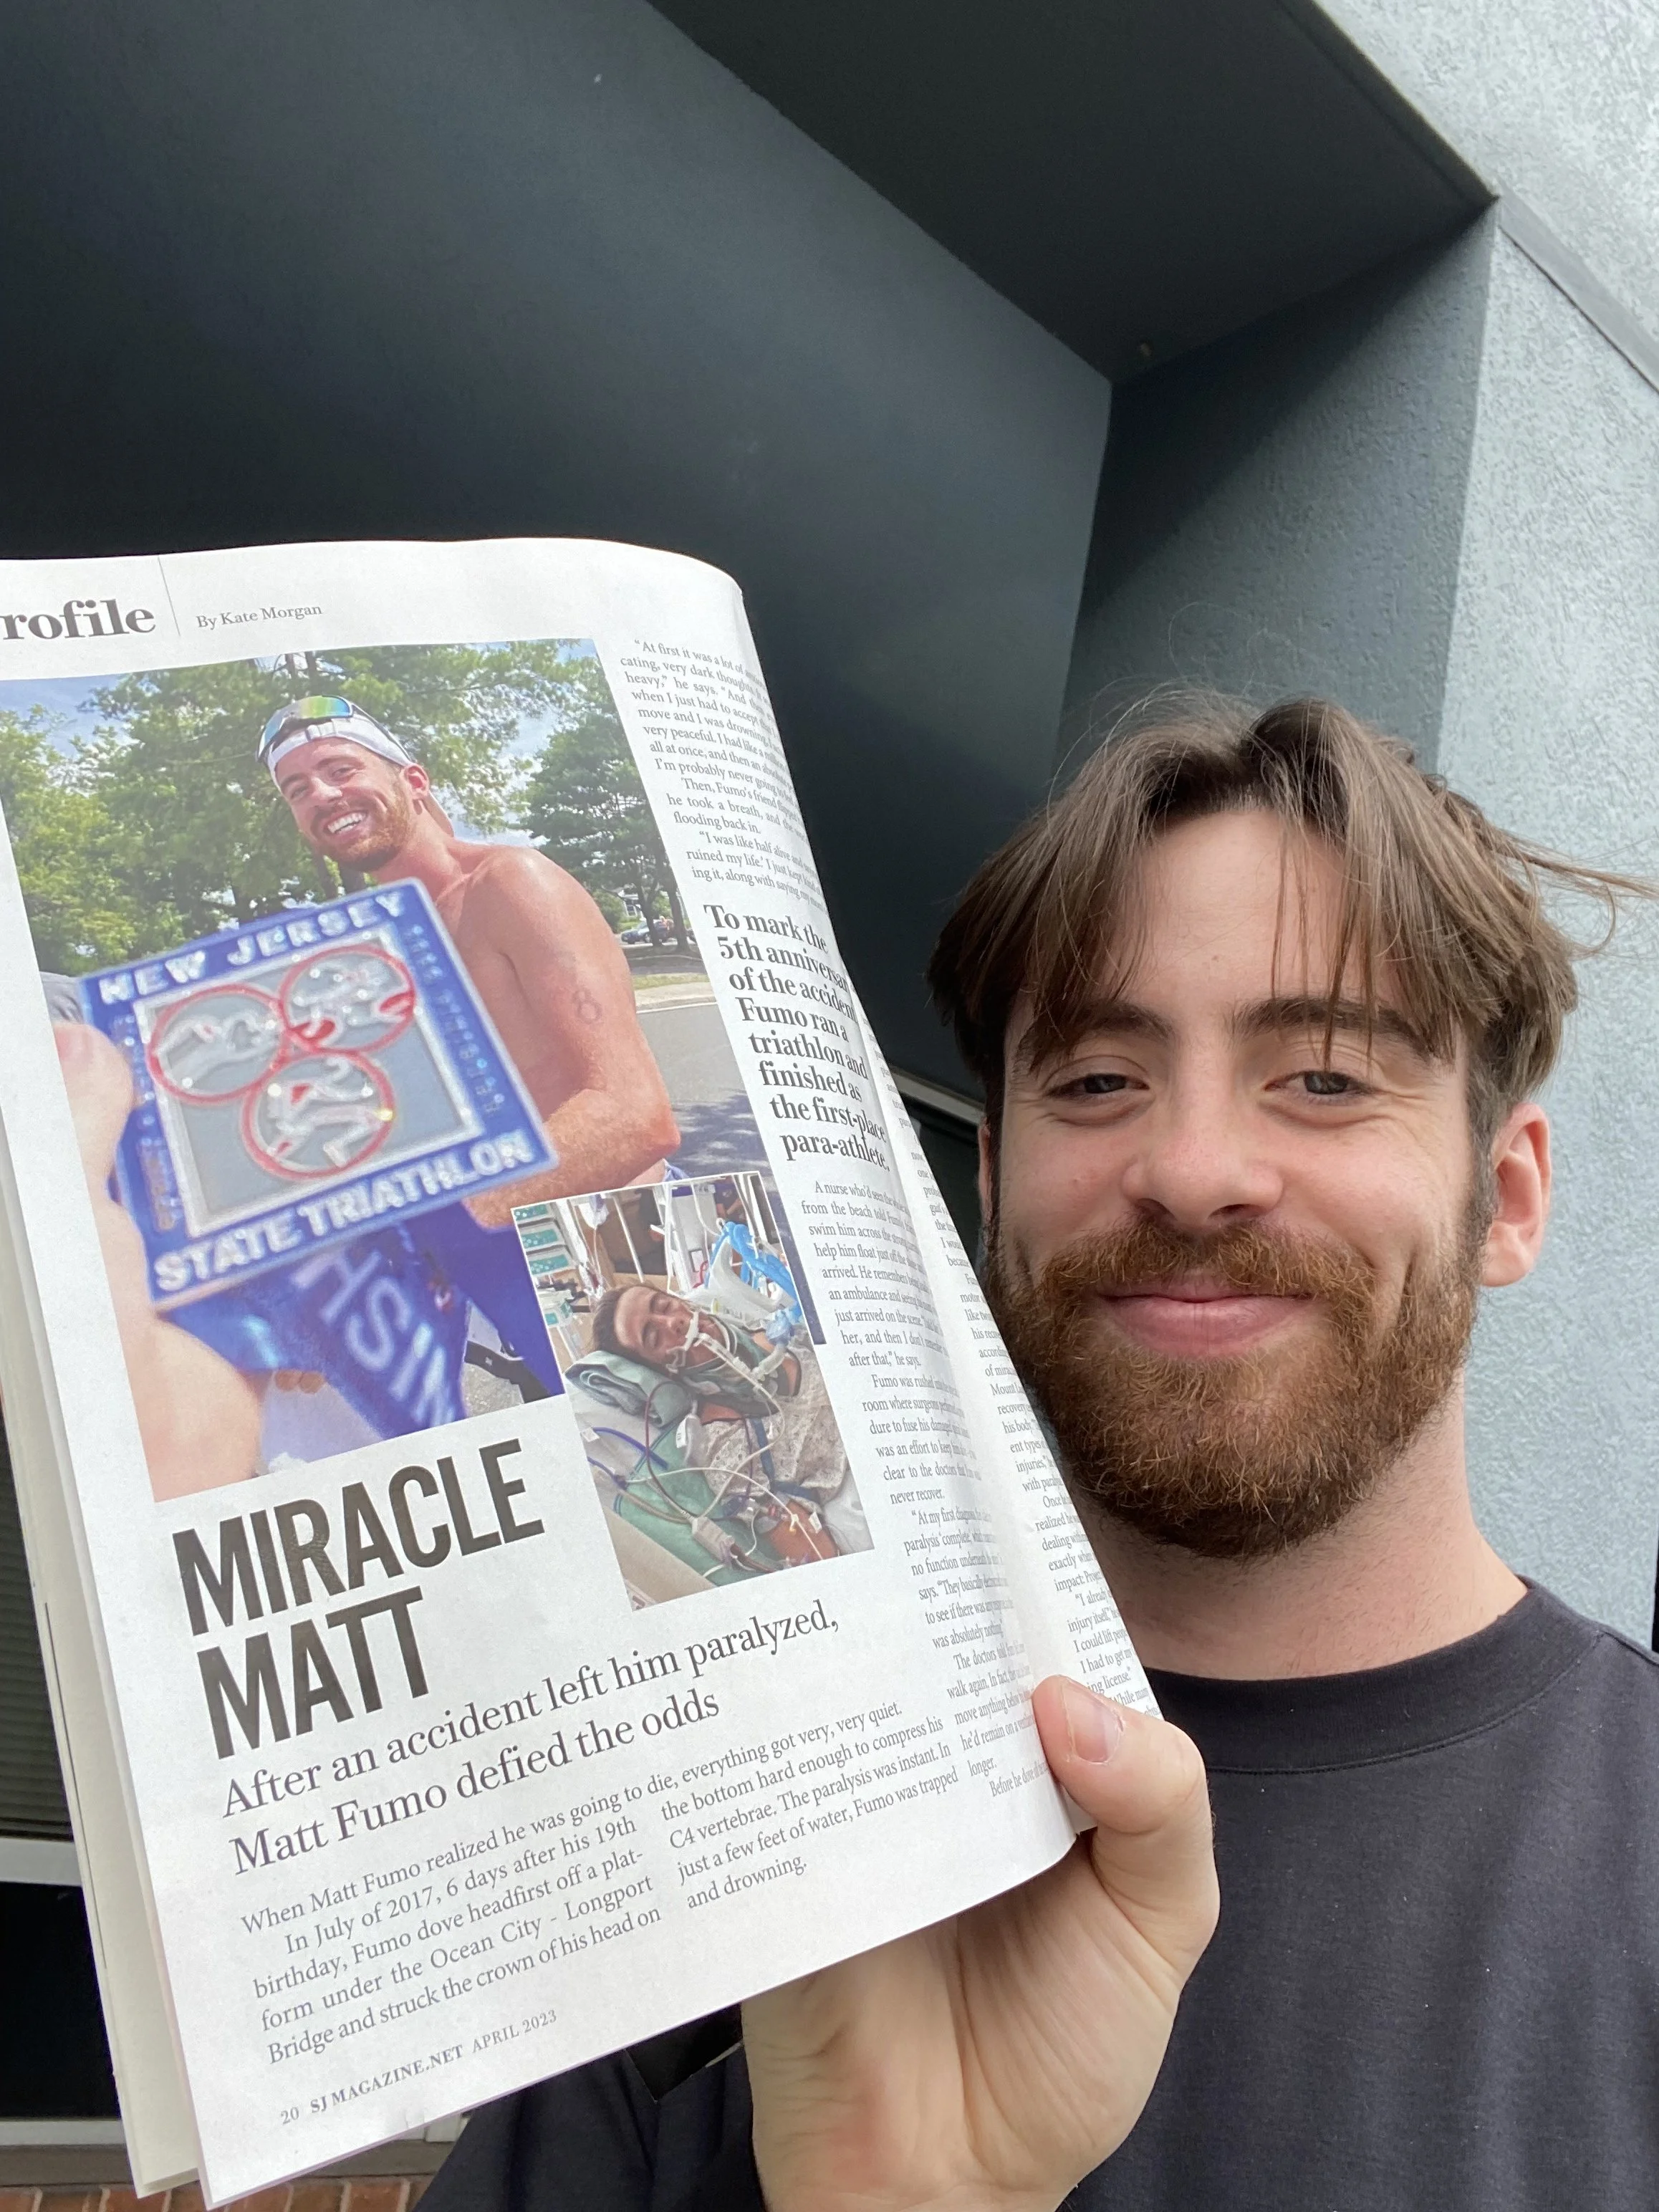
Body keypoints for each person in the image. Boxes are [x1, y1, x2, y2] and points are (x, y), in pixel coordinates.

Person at [413, 694, 1659, 2211]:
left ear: (1508, 1196)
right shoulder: (737, 1831)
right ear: (993, 1180)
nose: (1193, 1170)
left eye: (1326, 1074)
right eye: (1096, 1079)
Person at [263, 696, 680, 1218]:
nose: (322, 795)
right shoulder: (370, 950)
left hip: (620, 1218)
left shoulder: (510, 885)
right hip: (502, 1245)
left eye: (340, 770)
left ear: (414, 783)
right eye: (297, 791)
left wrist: (456, 1220)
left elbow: (635, 1116)